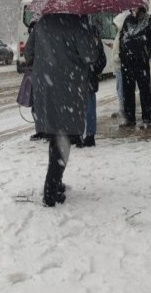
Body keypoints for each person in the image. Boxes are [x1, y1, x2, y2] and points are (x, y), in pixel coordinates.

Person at [24, 13, 99, 207]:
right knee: (63, 137)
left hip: (44, 87)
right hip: (68, 87)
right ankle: (50, 191)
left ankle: (55, 183)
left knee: (55, 134)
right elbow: (90, 56)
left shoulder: (42, 23)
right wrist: (92, 40)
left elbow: (28, 54)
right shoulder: (77, 23)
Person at [118, 6, 151, 128]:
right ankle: (130, 118)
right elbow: (121, 38)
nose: (132, 9)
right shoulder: (128, 20)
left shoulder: (149, 20)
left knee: (144, 90)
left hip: (141, 60)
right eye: (131, 7)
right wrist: (122, 55)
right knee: (128, 91)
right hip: (127, 61)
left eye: (135, 6)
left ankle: (147, 119)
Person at [80, 23, 107, 147]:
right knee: (83, 110)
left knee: (89, 109)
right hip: (81, 80)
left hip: (88, 81)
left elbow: (102, 61)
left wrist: (93, 67)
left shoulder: (95, 42)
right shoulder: (82, 38)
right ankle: (84, 134)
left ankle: (89, 135)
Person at [110, 11, 128, 119]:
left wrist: (116, 57)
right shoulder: (119, 34)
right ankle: (122, 108)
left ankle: (123, 109)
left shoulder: (123, 35)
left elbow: (123, 52)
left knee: (121, 89)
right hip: (118, 66)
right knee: (119, 88)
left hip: (120, 65)